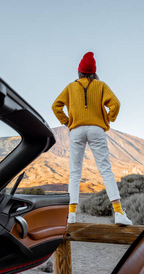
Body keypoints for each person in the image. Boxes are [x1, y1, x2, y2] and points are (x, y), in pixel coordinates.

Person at [52, 52, 132, 225]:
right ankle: (118, 212)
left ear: (79, 71)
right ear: (94, 71)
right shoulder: (101, 85)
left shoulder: (71, 87)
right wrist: (109, 118)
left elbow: (56, 106)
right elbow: (115, 104)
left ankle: (71, 214)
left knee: (75, 172)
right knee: (105, 169)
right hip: (97, 129)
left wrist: (67, 122)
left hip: (76, 130)